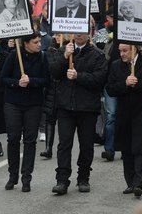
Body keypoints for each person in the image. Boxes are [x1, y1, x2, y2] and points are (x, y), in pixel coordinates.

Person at [50, 33, 107, 195]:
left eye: (83, 32)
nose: (79, 35)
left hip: (87, 107)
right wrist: (65, 57)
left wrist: (78, 76)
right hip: (66, 106)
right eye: (77, 32)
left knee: (86, 144)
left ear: (89, 34)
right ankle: (62, 180)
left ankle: (83, 177)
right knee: (64, 144)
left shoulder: (97, 55)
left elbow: (100, 80)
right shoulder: (63, 50)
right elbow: (54, 73)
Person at [106, 44, 142, 198]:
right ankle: (130, 182)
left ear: (134, 50)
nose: (122, 54)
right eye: (120, 51)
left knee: (141, 149)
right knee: (127, 150)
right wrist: (125, 84)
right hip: (124, 114)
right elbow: (110, 89)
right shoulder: (116, 66)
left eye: (125, 51)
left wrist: (139, 83)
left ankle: (138, 183)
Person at [0, 32, 50, 191]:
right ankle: (12, 175)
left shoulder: (42, 57)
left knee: (30, 141)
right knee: (13, 139)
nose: (39, 44)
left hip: (33, 105)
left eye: (39, 41)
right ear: (26, 43)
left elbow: (47, 80)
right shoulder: (14, 56)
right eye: (35, 42)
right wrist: (16, 83)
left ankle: (26, 177)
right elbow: (3, 78)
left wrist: (32, 81)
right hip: (13, 103)